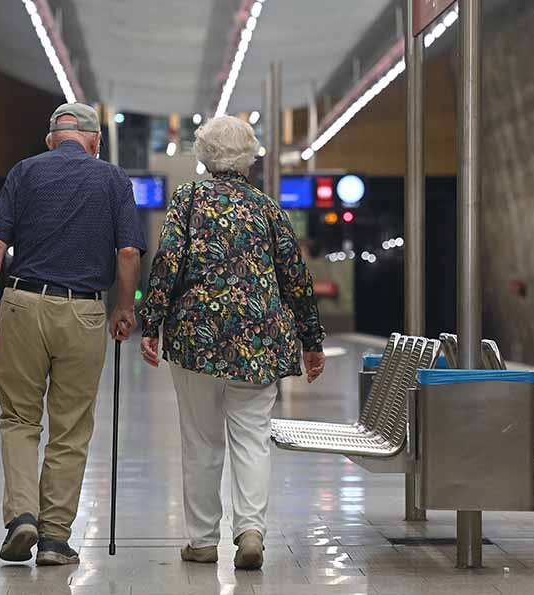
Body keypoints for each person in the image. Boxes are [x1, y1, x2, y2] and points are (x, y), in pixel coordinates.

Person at [138, 116, 326, 570]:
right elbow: (295, 279)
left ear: (203, 155)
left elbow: (167, 264)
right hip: (259, 340)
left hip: (196, 339)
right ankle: (250, 532)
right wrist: (311, 340)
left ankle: (203, 540)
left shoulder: (187, 200)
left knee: (200, 440)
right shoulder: (267, 208)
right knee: (252, 438)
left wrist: (151, 323)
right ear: (250, 156)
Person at [0, 103, 145, 566]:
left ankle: (22, 516)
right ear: (94, 141)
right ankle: (53, 540)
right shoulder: (112, 179)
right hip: (84, 311)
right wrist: (125, 308)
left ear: (52, 140)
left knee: (20, 420)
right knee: (70, 428)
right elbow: (128, 251)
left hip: (23, 305)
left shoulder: (24, 172)